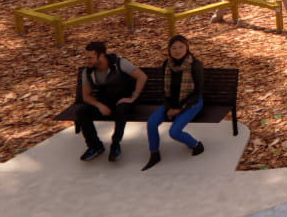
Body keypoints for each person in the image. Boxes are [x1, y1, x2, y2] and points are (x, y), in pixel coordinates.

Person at [74, 40, 145, 162]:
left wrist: (133, 97)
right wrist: (99, 105)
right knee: (82, 112)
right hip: (105, 102)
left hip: (124, 101)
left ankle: (115, 144)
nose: (87, 61)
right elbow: (86, 96)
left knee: (121, 108)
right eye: (86, 58)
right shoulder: (88, 71)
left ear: (101, 56)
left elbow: (142, 76)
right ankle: (95, 146)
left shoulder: (120, 63)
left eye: (90, 58)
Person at [143, 35, 207, 170]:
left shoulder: (195, 65)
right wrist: (168, 107)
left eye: (181, 47)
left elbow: (198, 92)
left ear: (187, 48)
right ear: (169, 49)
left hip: (191, 102)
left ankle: (196, 145)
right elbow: (164, 90)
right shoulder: (167, 65)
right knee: (151, 123)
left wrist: (180, 109)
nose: (177, 51)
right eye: (173, 48)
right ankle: (154, 153)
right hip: (172, 102)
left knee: (174, 132)